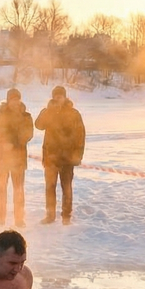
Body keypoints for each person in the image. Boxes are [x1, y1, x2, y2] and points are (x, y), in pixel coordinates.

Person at [35, 86, 85, 225]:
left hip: (67, 158)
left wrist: (78, 155)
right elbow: (38, 125)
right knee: (50, 187)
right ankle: (50, 215)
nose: (58, 98)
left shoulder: (73, 113)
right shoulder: (49, 112)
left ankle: (66, 215)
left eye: (60, 96)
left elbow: (80, 135)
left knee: (66, 187)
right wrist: (47, 110)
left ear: (65, 97)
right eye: (55, 96)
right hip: (51, 157)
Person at [0, 88, 34, 227]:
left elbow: (28, 134)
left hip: (18, 158)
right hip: (2, 158)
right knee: (1, 188)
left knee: (18, 189)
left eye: (17, 99)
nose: (15, 102)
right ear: (8, 100)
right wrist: (3, 142)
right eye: (12, 99)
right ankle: (0, 217)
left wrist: (13, 143)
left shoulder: (26, 116)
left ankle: (19, 218)